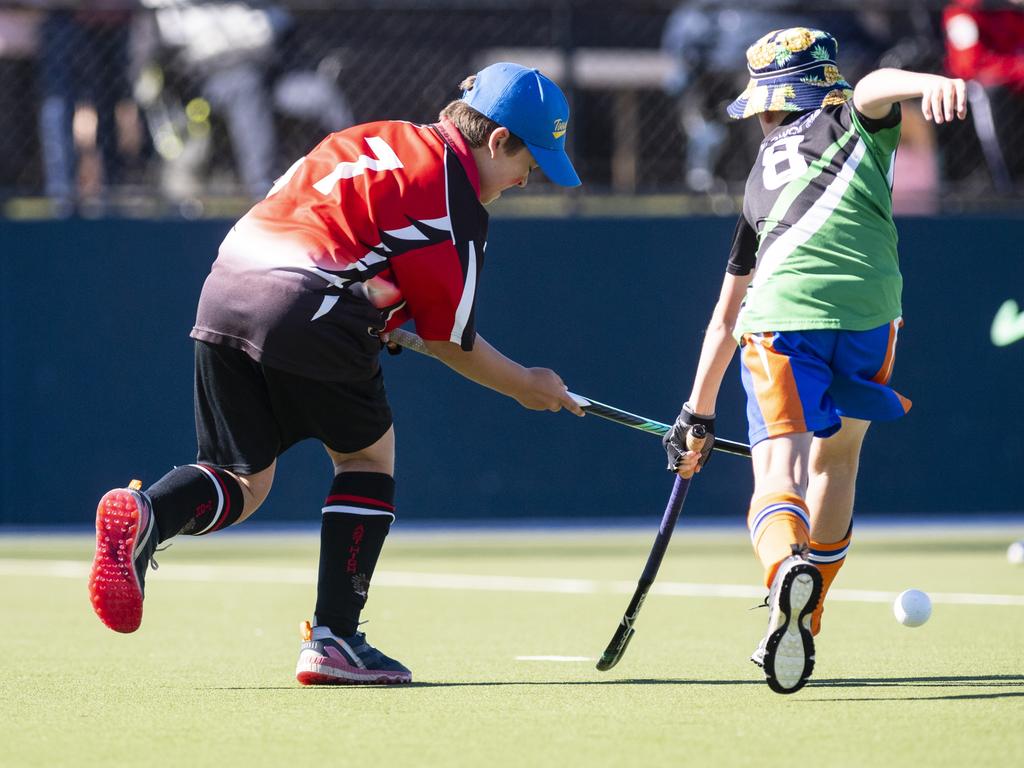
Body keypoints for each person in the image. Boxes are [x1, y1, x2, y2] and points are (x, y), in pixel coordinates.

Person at [88, 62, 585, 685]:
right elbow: (450, 340)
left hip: (226, 288)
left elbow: (326, 228)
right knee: (366, 460)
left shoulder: (371, 135)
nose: (524, 180)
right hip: (311, 303)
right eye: (529, 165)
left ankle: (147, 512)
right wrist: (527, 385)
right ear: (497, 141)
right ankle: (335, 639)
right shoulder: (453, 193)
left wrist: (378, 308)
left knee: (240, 478)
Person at [662, 28, 968, 694]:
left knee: (780, 465)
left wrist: (697, 411)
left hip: (784, 311)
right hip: (871, 312)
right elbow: (876, 87)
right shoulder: (856, 123)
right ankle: (810, 610)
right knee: (838, 459)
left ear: (772, 106)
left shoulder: (757, 183)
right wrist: (927, 83)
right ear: (822, 86)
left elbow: (725, 315)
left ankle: (784, 575)